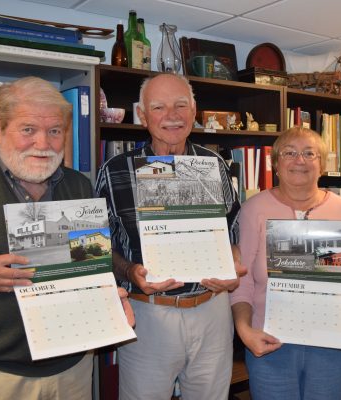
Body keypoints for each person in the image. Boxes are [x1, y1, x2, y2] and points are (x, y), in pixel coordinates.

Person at [0, 76, 134, 399]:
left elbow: (90, 264)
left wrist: (108, 300)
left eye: (54, 131)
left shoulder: (79, 187)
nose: (43, 143)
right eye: (28, 130)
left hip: (72, 371)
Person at [95, 73, 243, 400]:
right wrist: (129, 271)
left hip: (211, 311)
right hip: (149, 315)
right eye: (159, 107)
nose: (172, 115)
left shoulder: (214, 164)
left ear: (193, 112)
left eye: (181, 105)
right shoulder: (116, 169)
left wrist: (233, 263)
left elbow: (233, 232)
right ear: (144, 116)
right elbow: (95, 248)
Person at [230, 126, 341, 400]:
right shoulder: (254, 209)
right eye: (289, 153)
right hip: (269, 340)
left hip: (332, 342)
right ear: (275, 164)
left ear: (322, 165)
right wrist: (244, 330)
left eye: (309, 153)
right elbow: (243, 282)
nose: (299, 160)